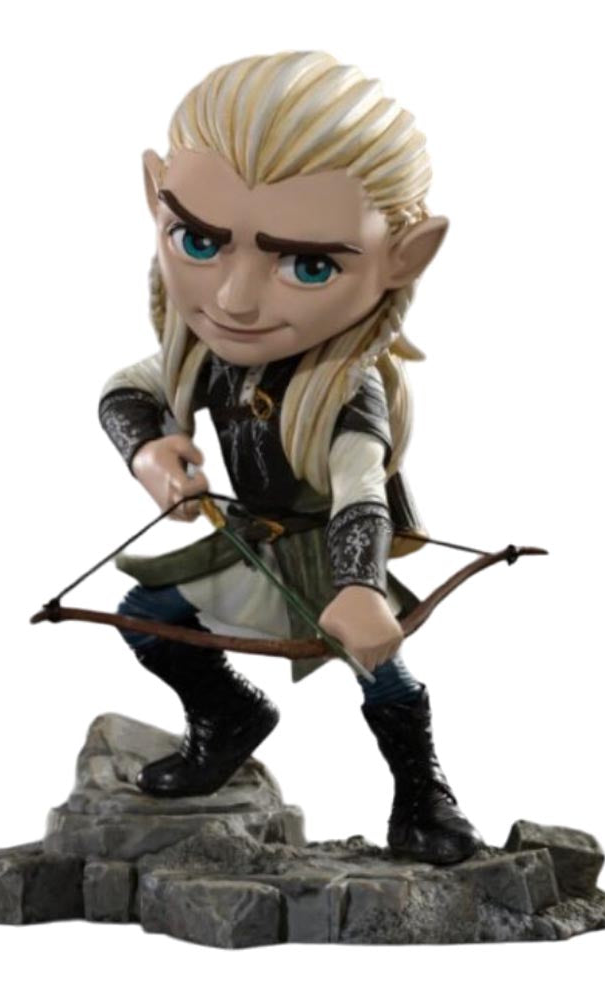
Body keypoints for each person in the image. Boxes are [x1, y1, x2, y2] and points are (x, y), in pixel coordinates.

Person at [97, 51, 483, 865]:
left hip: (330, 553)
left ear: (403, 255)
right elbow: (127, 393)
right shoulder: (208, 356)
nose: (234, 299)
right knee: (147, 614)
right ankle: (228, 715)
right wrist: (152, 451)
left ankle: (423, 795)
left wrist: (359, 588)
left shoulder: (345, 390)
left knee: (380, 669)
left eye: (309, 265)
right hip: (252, 540)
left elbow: (361, 489)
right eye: (199, 240)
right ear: (155, 195)